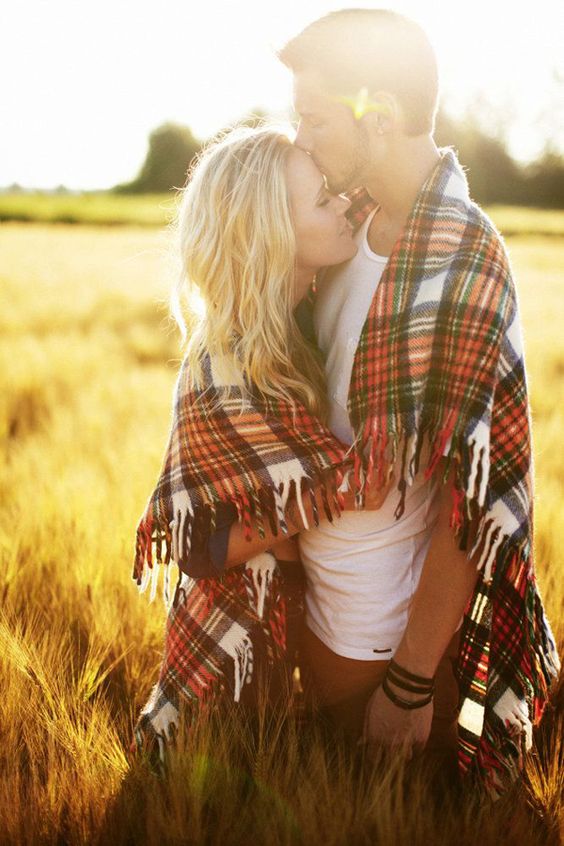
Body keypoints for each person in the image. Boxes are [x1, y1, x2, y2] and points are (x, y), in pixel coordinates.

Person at [144, 10, 560, 799]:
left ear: (385, 116)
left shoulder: (464, 262)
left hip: (403, 668)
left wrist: (408, 686)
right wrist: (313, 503)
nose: (301, 139)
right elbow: (221, 506)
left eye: (316, 119)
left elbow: (476, 504)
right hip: (312, 649)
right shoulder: (330, 243)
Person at [131, 124, 396, 762]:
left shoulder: (294, 326)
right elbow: (194, 546)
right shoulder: (224, 362)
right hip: (222, 661)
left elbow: (377, 195)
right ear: (271, 232)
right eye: (321, 200)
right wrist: (330, 494)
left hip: (280, 651)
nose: (341, 206)